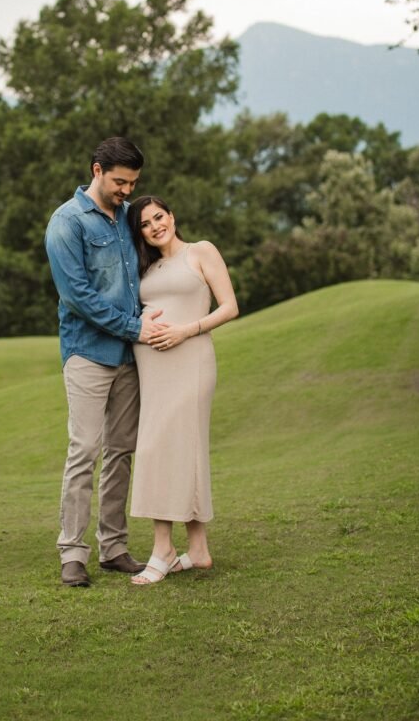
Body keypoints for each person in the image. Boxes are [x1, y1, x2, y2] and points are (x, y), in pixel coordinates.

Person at [45, 138, 165, 588]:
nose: (127, 191)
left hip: (130, 357)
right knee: (84, 451)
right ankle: (72, 553)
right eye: (120, 182)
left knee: (121, 452)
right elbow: (77, 296)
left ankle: (113, 547)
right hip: (88, 353)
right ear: (97, 170)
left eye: (133, 183)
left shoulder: (129, 217)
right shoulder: (66, 222)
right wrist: (135, 328)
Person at [126, 195, 239, 585]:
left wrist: (184, 331)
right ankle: (198, 550)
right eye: (145, 224)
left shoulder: (200, 251)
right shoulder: (147, 267)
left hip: (190, 361)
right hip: (153, 369)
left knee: (167, 449)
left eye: (159, 217)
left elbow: (229, 307)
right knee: (168, 449)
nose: (155, 226)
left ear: (172, 217)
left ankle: (163, 551)